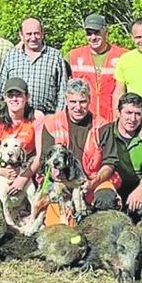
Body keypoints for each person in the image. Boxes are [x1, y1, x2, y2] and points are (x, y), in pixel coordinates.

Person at [37, 78, 111, 225]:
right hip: (61, 184)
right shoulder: (51, 123)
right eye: (73, 102)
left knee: (107, 200)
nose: (78, 107)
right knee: (60, 226)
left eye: (82, 101)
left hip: (93, 181)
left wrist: (92, 183)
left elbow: (110, 162)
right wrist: (64, 186)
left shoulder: (102, 125)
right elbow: (45, 162)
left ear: (89, 100)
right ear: (65, 100)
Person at [0, 78, 44, 218]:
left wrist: (23, 178)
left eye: (19, 95)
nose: (14, 99)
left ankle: (35, 214)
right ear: (4, 98)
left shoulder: (37, 117)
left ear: (27, 97)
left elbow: (41, 156)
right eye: (10, 95)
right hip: (4, 166)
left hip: (30, 164)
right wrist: (1, 170)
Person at [93, 93, 142, 219]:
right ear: (119, 113)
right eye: (128, 113)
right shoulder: (104, 133)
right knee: (105, 198)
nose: (133, 118)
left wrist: (141, 189)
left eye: (137, 114)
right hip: (111, 184)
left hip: (138, 187)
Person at [0, 18, 68, 114]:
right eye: (28, 34)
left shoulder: (55, 56)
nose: (33, 38)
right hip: (16, 119)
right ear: (21, 35)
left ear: (42, 34)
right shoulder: (11, 56)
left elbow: (63, 91)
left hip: (46, 118)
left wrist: (57, 118)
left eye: (36, 33)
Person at [66, 14, 127, 123]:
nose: (93, 37)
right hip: (84, 121)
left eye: (97, 32)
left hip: (112, 121)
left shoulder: (123, 56)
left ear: (106, 32)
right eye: (89, 33)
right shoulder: (73, 56)